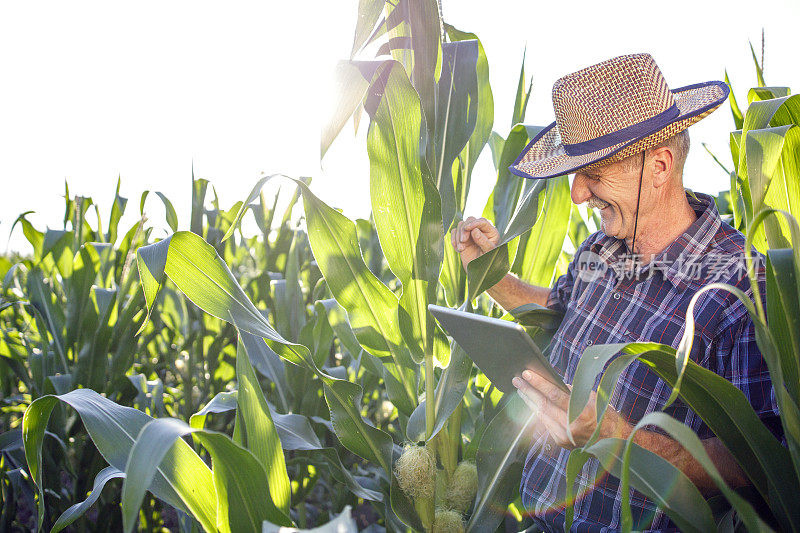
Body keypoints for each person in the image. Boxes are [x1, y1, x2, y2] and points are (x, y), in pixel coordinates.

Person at [450, 53, 782, 531]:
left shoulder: (742, 288)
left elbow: (760, 464)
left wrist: (618, 438)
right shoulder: (600, 249)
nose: (578, 194)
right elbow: (560, 311)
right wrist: (492, 274)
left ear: (661, 164)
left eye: (595, 174)